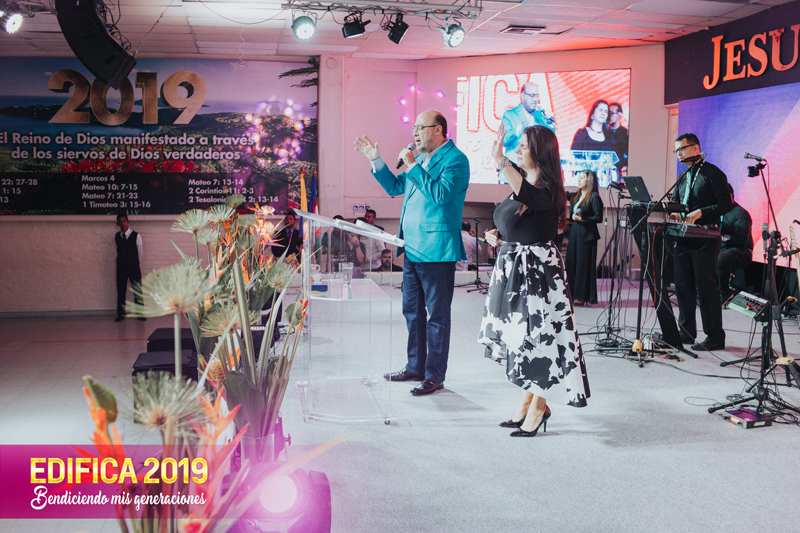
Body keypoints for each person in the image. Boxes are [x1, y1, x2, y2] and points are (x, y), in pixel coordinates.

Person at [479, 124, 590, 437]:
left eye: (524, 146)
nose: (518, 150)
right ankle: (527, 402)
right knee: (522, 338)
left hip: (539, 275)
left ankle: (539, 406)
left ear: (540, 152)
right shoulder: (524, 184)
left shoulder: (548, 189)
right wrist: (498, 235)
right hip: (516, 270)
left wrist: (500, 159)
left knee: (541, 339)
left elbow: (529, 198)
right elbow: (514, 218)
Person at [354, 109, 470, 396]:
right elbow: (395, 187)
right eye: (413, 128)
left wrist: (412, 165)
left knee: (437, 316)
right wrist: (376, 160)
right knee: (412, 312)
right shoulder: (419, 160)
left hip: (437, 251)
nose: (415, 133)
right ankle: (415, 366)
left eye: (420, 127)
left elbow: (440, 195)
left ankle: (434, 376)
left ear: (438, 130)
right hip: (412, 248)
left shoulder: (456, 160)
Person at [667, 133, 732, 351]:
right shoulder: (683, 175)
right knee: (682, 286)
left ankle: (715, 336)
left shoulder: (713, 173)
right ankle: (686, 333)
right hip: (684, 235)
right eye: (676, 150)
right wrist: (675, 213)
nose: (678, 154)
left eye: (682, 149)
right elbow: (677, 203)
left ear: (695, 149)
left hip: (706, 236)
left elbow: (726, 204)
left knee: (706, 287)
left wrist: (700, 212)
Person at [565, 169, 603, 305]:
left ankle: (581, 296)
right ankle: (571, 294)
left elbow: (598, 218)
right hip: (575, 233)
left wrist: (583, 219)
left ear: (590, 180)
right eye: (578, 177)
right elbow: (563, 194)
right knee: (571, 263)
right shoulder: (576, 196)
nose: (579, 180)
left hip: (587, 235)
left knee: (582, 265)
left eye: (582, 178)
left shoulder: (594, 197)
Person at [501, 82, 556, 164]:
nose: (535, 100)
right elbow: (504, 141)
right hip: (514, 166)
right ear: (522, 95)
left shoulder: (540, 116)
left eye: (537, 96)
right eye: (532, 95)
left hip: (535, 167)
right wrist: (521, 127)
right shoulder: (510, 114)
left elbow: (551, 140)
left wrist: (549, 122)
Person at [717, 184, 753, 304]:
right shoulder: (718, 211)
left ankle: (724, 293)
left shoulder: (740, 214)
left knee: (721, 258)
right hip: (722, 248)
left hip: (740, 251)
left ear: (731, 196)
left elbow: (742, 240)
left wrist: (722, 238)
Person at [115, 214, 145, 322]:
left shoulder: (136, 235)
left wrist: (135, 263)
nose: (123, 223)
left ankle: (140, 313)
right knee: (121, 291)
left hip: (133, 267)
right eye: (120, 221)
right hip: (121, 268)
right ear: (118, 223)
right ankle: (121, 314)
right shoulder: (117, 236)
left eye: (124, 221)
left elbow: (139, 252)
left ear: (128, 222)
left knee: (137, 291)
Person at [607, 102, 629, 176]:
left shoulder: (625, 133)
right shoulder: (604, 132)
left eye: (611, 113)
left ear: (619, 115)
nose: (608, 116)